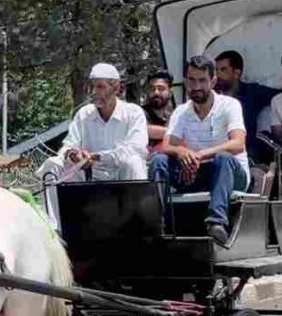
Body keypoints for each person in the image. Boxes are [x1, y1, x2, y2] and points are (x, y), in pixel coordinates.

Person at [148, 55, 249, 246]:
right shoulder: (181, 111)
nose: (196, 86)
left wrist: (201, 154)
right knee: (158, 160)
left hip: (230, 173)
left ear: (213, 81)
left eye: (202, 80)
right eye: (192, 80)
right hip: (196, 171)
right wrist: (181, 152)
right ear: (185, 82)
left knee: (222, 158)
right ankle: (159, 223)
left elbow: (238, 144)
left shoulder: (229, 105)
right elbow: (168, 145)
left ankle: (217, 223)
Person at [36, 62, 148, 230]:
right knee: (53, 164)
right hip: (90, 174)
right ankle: (54, 229)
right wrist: (73, 154)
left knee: (133, 162)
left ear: (116, 88)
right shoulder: (84, 114)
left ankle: (139, 228)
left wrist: (97, 157)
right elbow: (68, 145)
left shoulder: (133, 112)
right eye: (92, 87)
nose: (94, 92)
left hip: (120, 173)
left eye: (100, 87)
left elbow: (136, 149)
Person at [213, 50, 280, 165]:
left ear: (237, 73)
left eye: (223, 70)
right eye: (216, 70)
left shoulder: (251, 92)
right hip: (216, 152)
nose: (218, 75)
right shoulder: (211, 96)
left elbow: (281, 95)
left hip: (246, 153)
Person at [142, 70, 174, 154]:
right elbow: (143, 129)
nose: (156, 92)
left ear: (170, 93)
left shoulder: (176, 115)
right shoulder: (139, 113)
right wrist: (175, 133)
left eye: (161, 89)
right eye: (152, 89)